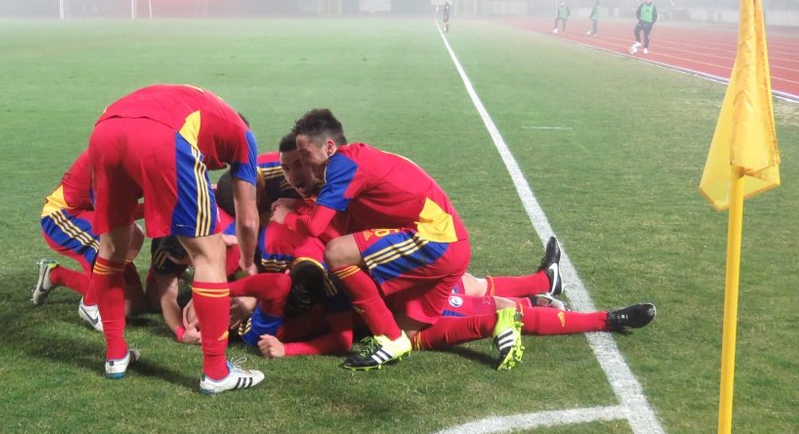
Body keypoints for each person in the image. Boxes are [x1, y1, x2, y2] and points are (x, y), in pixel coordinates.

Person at [272, 108, 494, 372]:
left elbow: (316, 226)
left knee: (337, 253)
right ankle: (521, 312)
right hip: (449, 242)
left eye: (306, 157)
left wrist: (286, 215)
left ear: (329, 147)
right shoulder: (356, 159)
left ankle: (389, 339)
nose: (305, 167)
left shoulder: (341, 166)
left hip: (435, 240)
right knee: (410, 332)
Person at [86, 83, 265, 393]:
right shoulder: (243, 136)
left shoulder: (197, 103)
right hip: (163, 137)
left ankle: (115, 355)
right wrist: (248, 262)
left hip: (104, 131)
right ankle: (217, 372)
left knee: (112, 249)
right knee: (209, 255)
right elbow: (247, 220)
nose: (216, 167)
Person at [32, 149, 145, 331]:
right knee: (125, 238)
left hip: (94, 215)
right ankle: (89, 304)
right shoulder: (115, 153)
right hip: (63, 215)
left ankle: (55, 275)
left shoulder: (146, 153)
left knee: (132, 304)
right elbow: (116, 215)